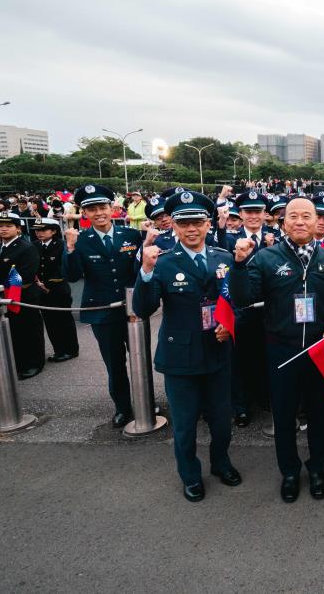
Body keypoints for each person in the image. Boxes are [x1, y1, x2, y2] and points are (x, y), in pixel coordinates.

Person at [229, 196, 324, 503]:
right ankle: (290, 472)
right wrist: (240, 265)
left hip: (320, 351)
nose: (299, 221)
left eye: (306, 216)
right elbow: (243, 299)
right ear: (282, 222)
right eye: (292, 216)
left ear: (317, 221)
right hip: (281, 350)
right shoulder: (266, 258)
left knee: (319, 413)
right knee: (283, 415)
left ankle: (318, 467)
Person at [133, 190, 241, 502]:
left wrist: (229, 325)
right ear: (174, 227)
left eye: (197, 222)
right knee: (184, 424)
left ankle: (221, 463)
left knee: (222, 419)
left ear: (209, 224)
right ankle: (190, 475)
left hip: (218, 352)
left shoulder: (223, 258)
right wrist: (146, 271)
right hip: (180, 356)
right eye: (184, 224)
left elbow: (237, 301)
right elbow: (142, 309)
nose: (191, 229)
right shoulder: (162, 262)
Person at [65, 184, 144, 428]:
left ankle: (146, 402)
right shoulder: (80, 239)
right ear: (84, 213)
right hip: (101, 310)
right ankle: (122, 407)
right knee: (115, 363)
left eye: (102, 207)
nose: (98, 213)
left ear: (112, 209)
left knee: (140, 360)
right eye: (91, 209)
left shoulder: (131, 235)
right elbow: (72, 275)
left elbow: (140, 270)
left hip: (132, 309)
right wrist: (69, 249)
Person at [220, 191, 281, 427]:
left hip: (269, 310)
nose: (254, 216)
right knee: (240, 360)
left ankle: (265, 398)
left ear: (265, 214)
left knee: (268, 356)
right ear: (241, 214)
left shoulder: (276, 237)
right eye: (248, 212)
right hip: (242, 310)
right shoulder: (227, 240)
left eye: (258, 211)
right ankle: (241, 406)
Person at [0, 211, 45, 379]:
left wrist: (6, 292)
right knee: (13, 332)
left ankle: (35, 363)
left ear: (18, 229)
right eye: (0, 226)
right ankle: (19, 362)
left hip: (23, 296)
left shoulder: (26, 247)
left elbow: (26, 275)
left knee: (29, 331)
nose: (3, 229)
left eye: (8, 226)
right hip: (1, 296)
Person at [32, 218, 79, 363]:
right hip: (40, 288)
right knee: (49, 321)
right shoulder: (34, 246)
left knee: (63, 320)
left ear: (53, 231)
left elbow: (63, 267)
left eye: (43, 230)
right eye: (37, 230)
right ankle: (59, 349)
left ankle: (70, 349)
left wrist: (50, 284)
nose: (39, 233)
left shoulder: (61, 245)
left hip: (58, 289)